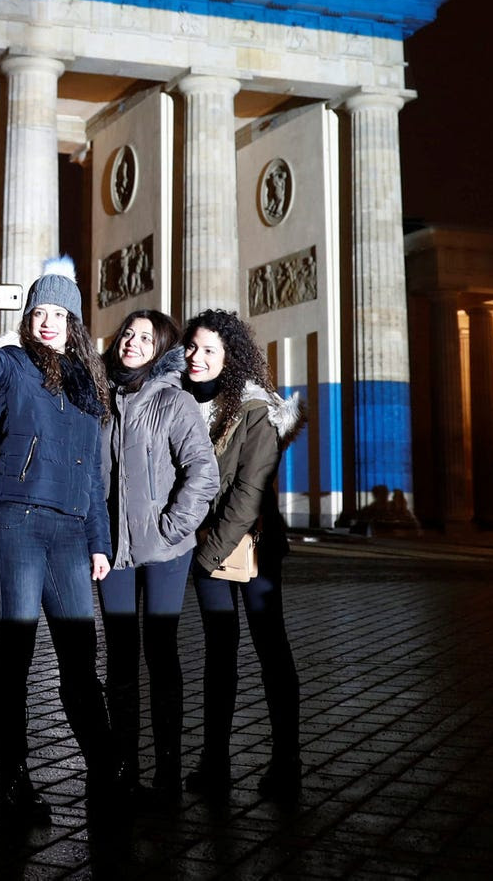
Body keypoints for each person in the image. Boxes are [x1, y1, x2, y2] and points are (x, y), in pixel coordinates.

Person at [0, 259, 116, 823]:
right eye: (39, 312)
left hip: (70, 530)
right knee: (14, 652)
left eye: (59, 314)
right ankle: (13, 783)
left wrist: (100, 542)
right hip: (14, 520)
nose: (48, 322)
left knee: (79, 658)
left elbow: (93, 475)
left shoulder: (90, 387)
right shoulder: (14, 365)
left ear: (74, 322)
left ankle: (105, 771)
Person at [181, 309, 306, 801]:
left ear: (231, 358)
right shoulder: (181, 401)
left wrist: (204, 556)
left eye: (210, 350)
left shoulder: (257, 412)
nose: (197, 357)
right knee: (218, 654)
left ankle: (286, 760)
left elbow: (250, 492)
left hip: (250, 549)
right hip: (208, 547)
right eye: (192, 346)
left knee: (270, 648)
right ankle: (215, 760)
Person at [98, 310, 218, 802]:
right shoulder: (102, 399)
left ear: (162, 346)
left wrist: (171, 529)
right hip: (113, 551)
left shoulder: (174, 401)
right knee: (121, 658)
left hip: (166, 550)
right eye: (128, 333)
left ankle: (167, 765)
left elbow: (202, 473)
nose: (133, 342)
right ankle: (125, 763)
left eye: (146, 337)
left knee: (162, 653)